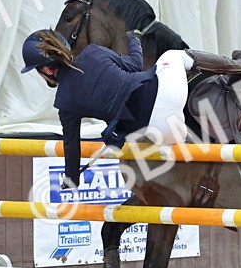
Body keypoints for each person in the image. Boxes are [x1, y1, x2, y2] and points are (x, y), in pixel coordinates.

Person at [20, 29, 193, 187]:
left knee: (183, 142)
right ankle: (220, 68)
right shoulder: (93, 51)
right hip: (167, 90)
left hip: (157, 128)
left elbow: (71, 146)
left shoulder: (64, 103)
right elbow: (135, 63)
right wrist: (134, 39)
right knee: (173, 55)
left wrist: (71, 179)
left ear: (46, 70)